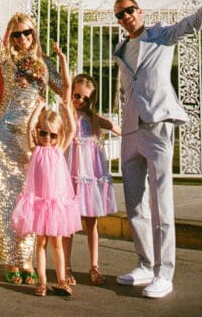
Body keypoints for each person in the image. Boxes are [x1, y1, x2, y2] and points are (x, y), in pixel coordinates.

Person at [113, 0, 202, 299]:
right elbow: (125, 88)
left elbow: (190, 24)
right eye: (120, 14)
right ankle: (144, 263)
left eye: (130, 10)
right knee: (134, 203)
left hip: (157, 124)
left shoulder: (161, 35)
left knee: (160, 202)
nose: (126, 16)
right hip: (130, 129)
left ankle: (164, 273)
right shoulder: (120, 49)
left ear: (140, 11)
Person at [0, 0, 67, 283]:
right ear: (11, 37)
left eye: (27, 32)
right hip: (4, 136)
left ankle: (26, 258)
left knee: (30, 199)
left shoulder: (44, 64)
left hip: (32, 140)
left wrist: (62, 63)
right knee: (7, 198)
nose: (23, 38)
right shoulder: (7, 59)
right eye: (17, 34)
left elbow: (64, 90)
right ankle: (13, 260)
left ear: (34, 34)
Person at [11, 100, 82, 296]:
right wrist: (38, 108)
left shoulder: (59, 149)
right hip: (39, 204)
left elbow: (72, 130)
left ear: (58, 135)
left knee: (57, 244)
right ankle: (42, 282)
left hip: (55, 205)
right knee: (40, 244)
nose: (48, 138)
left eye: (53, 135)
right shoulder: (35, 149)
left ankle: (61, 280)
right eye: (43, 133)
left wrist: (66, 110)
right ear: (38, 132)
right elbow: (29, 127)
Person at [63, 73, 120, 286]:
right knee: (69, 222)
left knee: (91, 221)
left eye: (85, 98)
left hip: (90, 176)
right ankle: (66, 267)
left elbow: (113, 126)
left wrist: (131, 132)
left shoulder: (92, 119)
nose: (80, 101)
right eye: (77, 95)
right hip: (72, 174)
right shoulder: (66, 112)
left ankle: (94, 265)